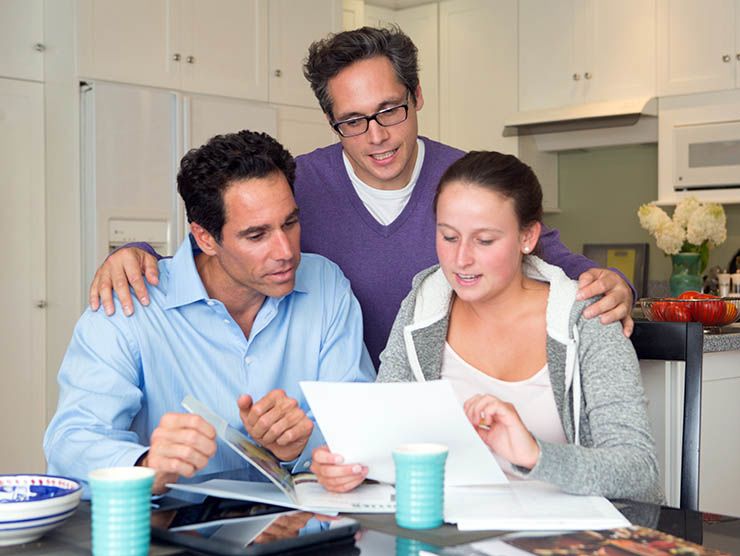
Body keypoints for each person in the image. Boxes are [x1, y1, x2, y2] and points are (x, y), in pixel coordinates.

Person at [86, 26, 635, 369]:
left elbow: (540, 249)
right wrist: (131, 250)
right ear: (331, 121)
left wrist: (611, 280)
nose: (376, 136)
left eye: (390, 110)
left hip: (442, 405)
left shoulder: (462, 178)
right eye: (352, 121)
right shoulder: (294, 185)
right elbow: (220, 236)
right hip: (331, 419)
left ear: (417, 96)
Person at [311, 151, 662, 504]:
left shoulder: (585, 319)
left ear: (528, 237)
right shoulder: (423, 307)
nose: (461, 259)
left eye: (484, 240)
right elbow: (381, 435)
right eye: (449, 237)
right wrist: (346, 465)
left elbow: (639, 471)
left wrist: (535, 455)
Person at [44, 131, 375, 494]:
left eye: (290, 223)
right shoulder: (129, 304)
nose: (285, 251)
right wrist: (146, 465)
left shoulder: (326, 286)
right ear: (205, 238)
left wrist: (298, 449)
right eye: (256, 235)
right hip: (171, 535)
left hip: (299, 533)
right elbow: (70, 443)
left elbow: (358, 425)